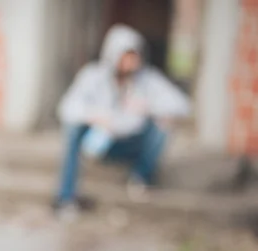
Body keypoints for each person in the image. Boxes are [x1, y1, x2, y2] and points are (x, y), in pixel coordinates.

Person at [54, 24, 190, 213]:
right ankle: (65, 198)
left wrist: (149, 107)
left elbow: (182, 105)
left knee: (164, 123)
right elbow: (66, 108)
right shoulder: (93, 76)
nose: (131, 62)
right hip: (99, 144)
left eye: (135, 56)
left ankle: (141, 177)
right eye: (126, 56)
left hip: (133, 143)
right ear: (113, 54)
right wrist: (94, 116)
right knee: (72, 128)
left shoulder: (148, 80)